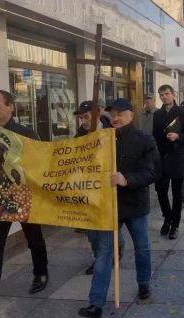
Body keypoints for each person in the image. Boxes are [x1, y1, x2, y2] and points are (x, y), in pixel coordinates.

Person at [78, 98, 159, 318]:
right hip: (108, 206)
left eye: (121, 113)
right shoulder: (100, 139)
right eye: (113, 114)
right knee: (104, 253)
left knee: (142, 248)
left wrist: (127, 179)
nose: (116, 118)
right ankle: (95, 303)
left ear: (131, 115)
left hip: (135, 206)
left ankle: (143, 285)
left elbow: (152, 173)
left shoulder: (144, 140)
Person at [0, 90, 49, 315]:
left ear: (10, 107)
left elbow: (40, 164)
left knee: (34, 237)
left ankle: (41, 272)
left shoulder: (26, 133)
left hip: (24, 196)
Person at [72, 100, 125, 276]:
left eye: (86, 117)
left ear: (98, 114)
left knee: (110, 227)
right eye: (81, 118)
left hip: (110, 187)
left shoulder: (113, 131)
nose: (84, 121)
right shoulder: (79, 136)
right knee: (92, 233)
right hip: (89, 189)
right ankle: (99, 257)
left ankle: (112, 251)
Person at [153, 85, 184, 240]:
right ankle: (167, 218)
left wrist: (178, 136)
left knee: (177, 195)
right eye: (161, 94)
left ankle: (175, 225)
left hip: (178, 158)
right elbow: (155, 136)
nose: (164, 97)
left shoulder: (183, 113)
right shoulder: (157, 114)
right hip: (162, 159)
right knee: (161, 191)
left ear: (173, 94)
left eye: (167, 94)